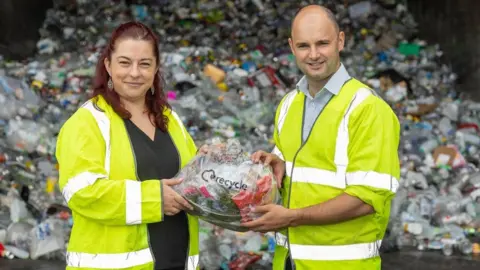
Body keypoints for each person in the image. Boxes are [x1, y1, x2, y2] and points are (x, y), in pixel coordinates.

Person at [243, 5, 401, 270]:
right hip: (290, 262)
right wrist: (276, 165)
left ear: (340, 40)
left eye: (323, 43)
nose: (314, 55)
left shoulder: (367, 108)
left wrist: (291, 218)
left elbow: (367, 199)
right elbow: (303, 171)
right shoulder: (289, 104)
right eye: (304, 46)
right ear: (292, 47)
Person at [56, 21, 201, 270]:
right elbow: (82, 193)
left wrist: (211, 164)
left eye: (145, 64)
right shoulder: (89, 122)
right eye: (125, 63)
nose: (135, 73)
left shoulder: (169, 119)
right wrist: (154, 199)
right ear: (108, 66)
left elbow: (191, 180)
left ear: (155, 69)